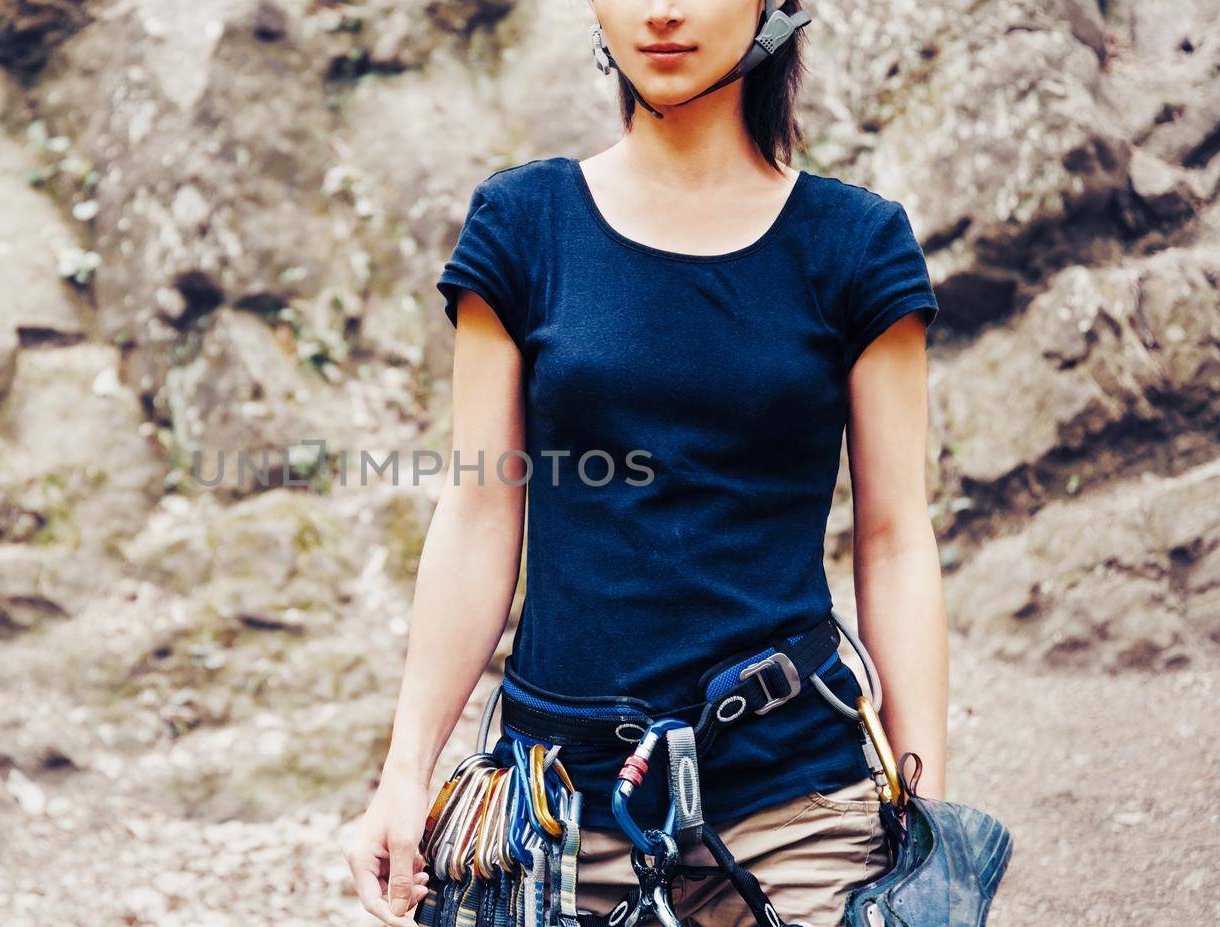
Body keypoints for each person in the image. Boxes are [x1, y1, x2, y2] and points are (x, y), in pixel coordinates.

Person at [345, 0, 949, 924]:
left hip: (801, 816)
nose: (662, 12)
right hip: (554, 823)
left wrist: (925, 817)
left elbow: (896, 536)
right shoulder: (523, 223)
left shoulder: (855, 246)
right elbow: (477, 513)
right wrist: (402, 777)